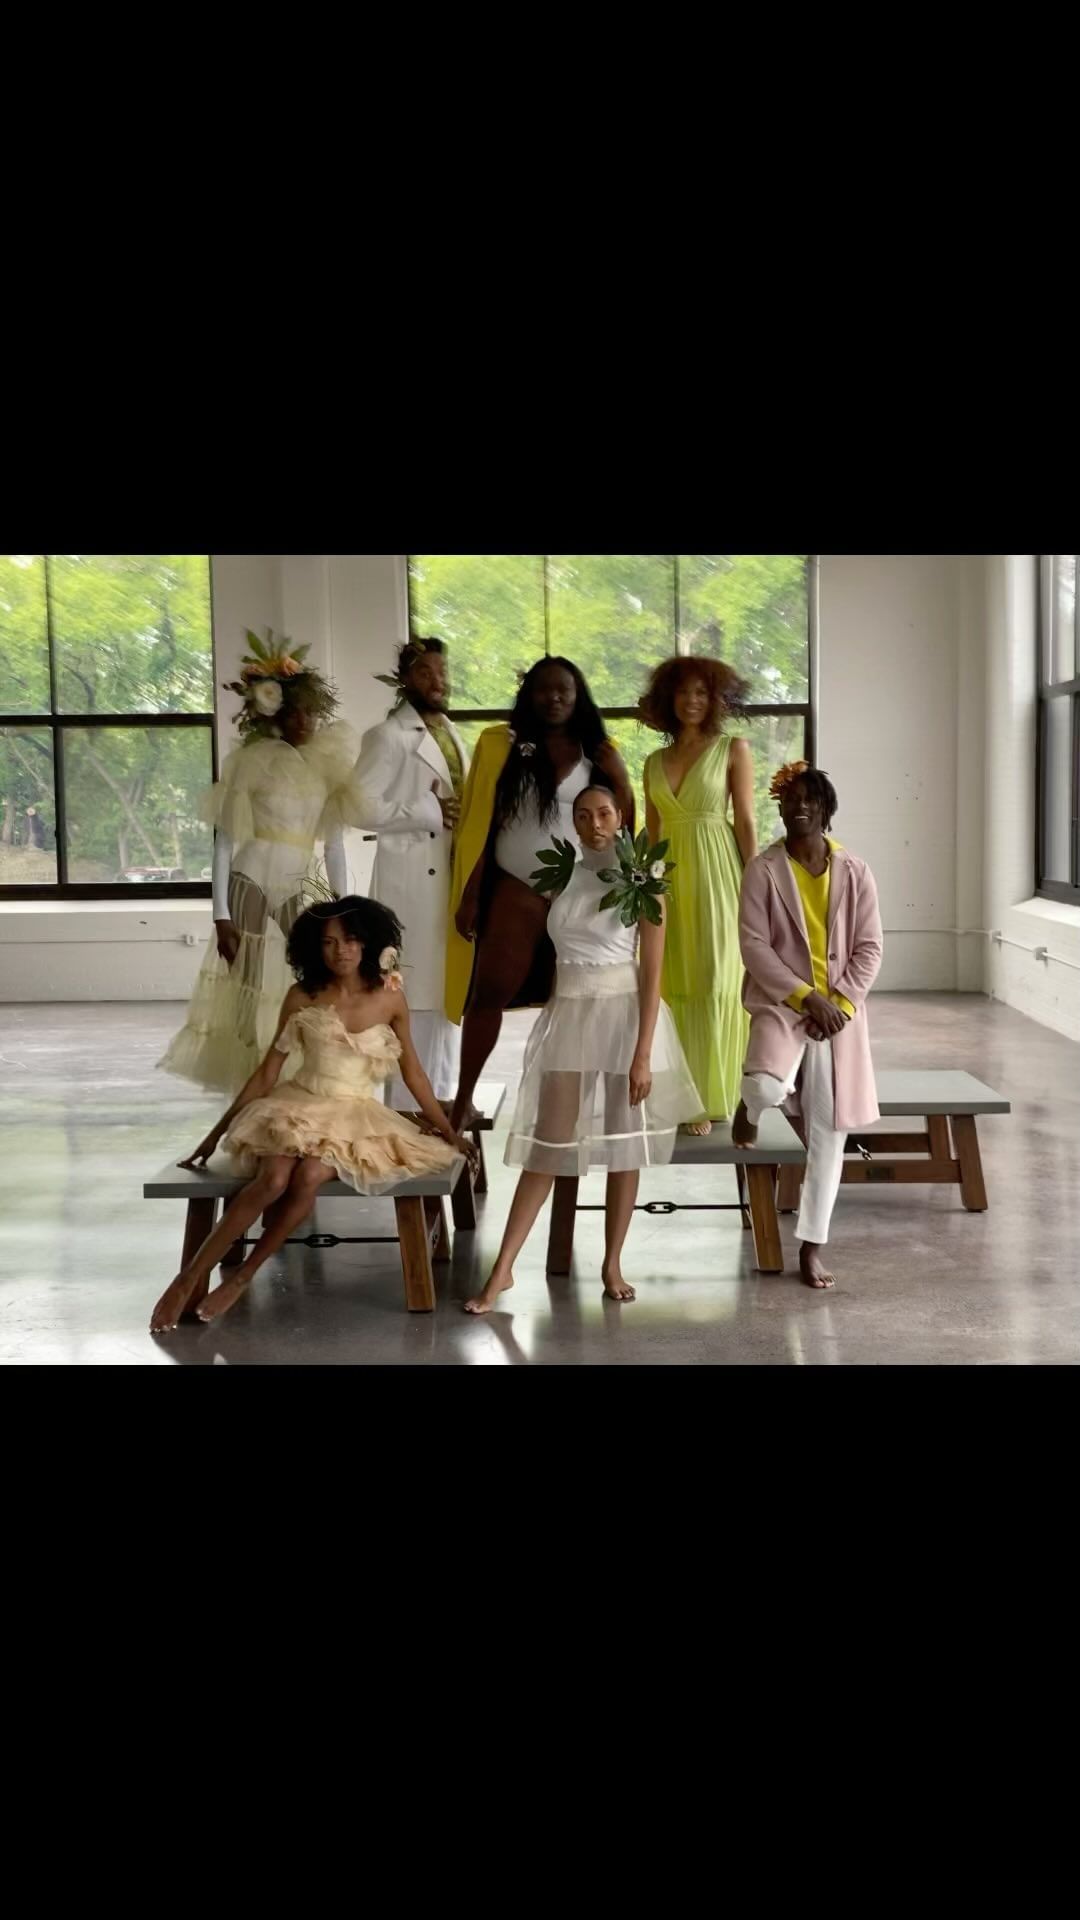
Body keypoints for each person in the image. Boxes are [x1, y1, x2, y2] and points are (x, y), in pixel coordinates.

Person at [150, 897, 479, 1331]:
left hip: (354, 1116)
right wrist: (212, 1137)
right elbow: (267, 1073)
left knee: (307, 1177)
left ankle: (245, 1275)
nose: (340, 951)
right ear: (313, 947)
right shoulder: (302, 996)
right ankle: (189, 1277)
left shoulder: (390, 997)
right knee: (274, 1179)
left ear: (368, 942)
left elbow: (414, 1074)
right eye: (328, 942)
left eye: (350, 939)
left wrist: (449, 1131)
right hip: (297, 1105)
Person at [464, 784, 701, 1313]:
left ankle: (612, 1264)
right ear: (572, 823)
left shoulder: (645, 879)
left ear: (620, 817)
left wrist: (643, 1053)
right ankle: (502, 1270)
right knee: (548, 1146)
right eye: (583, 815)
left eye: (604, 814)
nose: (594, 824)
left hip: (622, 1015)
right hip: (570, 1013)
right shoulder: (561, 874)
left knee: (623, 1147)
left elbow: (652, 973)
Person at [159, 633, 358, 1094]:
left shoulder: (327, 766)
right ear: (275, 714)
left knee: (316, 973)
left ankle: (310, 1065)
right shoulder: (251, 762)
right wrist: (220, 915)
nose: (304, 721)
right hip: (250, 877)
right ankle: (250, 1074)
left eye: (310, 712)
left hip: (300, 881)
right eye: (294, 712)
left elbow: (334, 845)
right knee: (245, 982)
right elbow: (224, 844)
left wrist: (344, 906)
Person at [446, 657, 633, 1133]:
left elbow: (622, 821)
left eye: (563, 690)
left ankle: (567, 1115)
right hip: (516, 887)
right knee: (489, 992)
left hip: (578, 893)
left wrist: (620, 777)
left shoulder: (598, 751)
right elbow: (483, 824)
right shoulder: (503, 746)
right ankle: (463, 1100)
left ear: (578, 695)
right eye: (543, 689)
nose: (554, 698)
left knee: (568, 1004)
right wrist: (470, 894)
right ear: (529, 694)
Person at [733, 762, 883, 1289]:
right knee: (763, 1086)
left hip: (836, 1020)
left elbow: (869, 948)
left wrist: (837, 1004)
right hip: (785, 1005)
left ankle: (812, 1246)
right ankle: (749, 1109)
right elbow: (754, 945)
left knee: (828, 1135)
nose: (799, 806)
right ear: (779, 807)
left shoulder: (856, 871)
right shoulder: (763, 869)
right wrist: (807, 997)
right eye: (790, 798)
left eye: (810, 799)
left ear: (826, 808)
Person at [352, 636, 470, 1110]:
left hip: (451, 878)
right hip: (412, 882)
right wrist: (425, 810)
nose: (437, 681)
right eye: (425, 673)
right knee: (414, 996)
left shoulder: (450, 731)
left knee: (446, 997)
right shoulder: (386, 736)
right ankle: (409, 1113)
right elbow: (358, 806)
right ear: (405, 679)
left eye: (442, 672)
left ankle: (441, 1104)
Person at [641, 655, 757, 1135]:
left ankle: (715, 1096)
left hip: (716, 873)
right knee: (672, 984)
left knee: (714, 980)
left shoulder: (732, 749)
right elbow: (651, 833)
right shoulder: (653, 761)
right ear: (668, 698)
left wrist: (755, 884)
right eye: (683, 691)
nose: (692, 700)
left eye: (702, 692)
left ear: (716, 700)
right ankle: (680, 1096)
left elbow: (745, 820)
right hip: (668, 878)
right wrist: (644, 890)